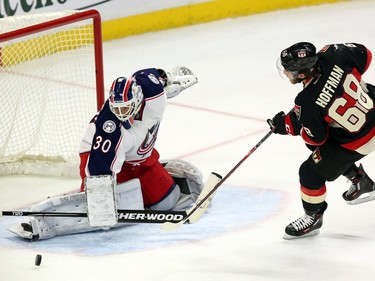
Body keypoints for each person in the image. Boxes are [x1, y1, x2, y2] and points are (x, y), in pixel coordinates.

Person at [9, 66, 203, 240]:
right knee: (101, 203)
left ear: (137, 99)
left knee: (166, 203)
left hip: (140, 157)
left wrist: (170, 79)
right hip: (96, 153)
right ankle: (56, 218)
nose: (121, 113)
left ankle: (159, 174)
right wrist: (98, 202)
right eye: (116, 108)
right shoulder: (109, 129)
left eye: (126, 108)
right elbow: (99, 169)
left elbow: (153, 76)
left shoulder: (151, 91)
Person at [267, 42, 375, 240]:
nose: (286, 72)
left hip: (362, 138)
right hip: (372, 110)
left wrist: (291, 124)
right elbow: (366, 56)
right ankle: (360, 180)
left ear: (301, 74)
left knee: (309, 172)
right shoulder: (333, 53)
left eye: (288, 70)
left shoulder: (306, 100)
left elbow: (316, 138)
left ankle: (313, 217)